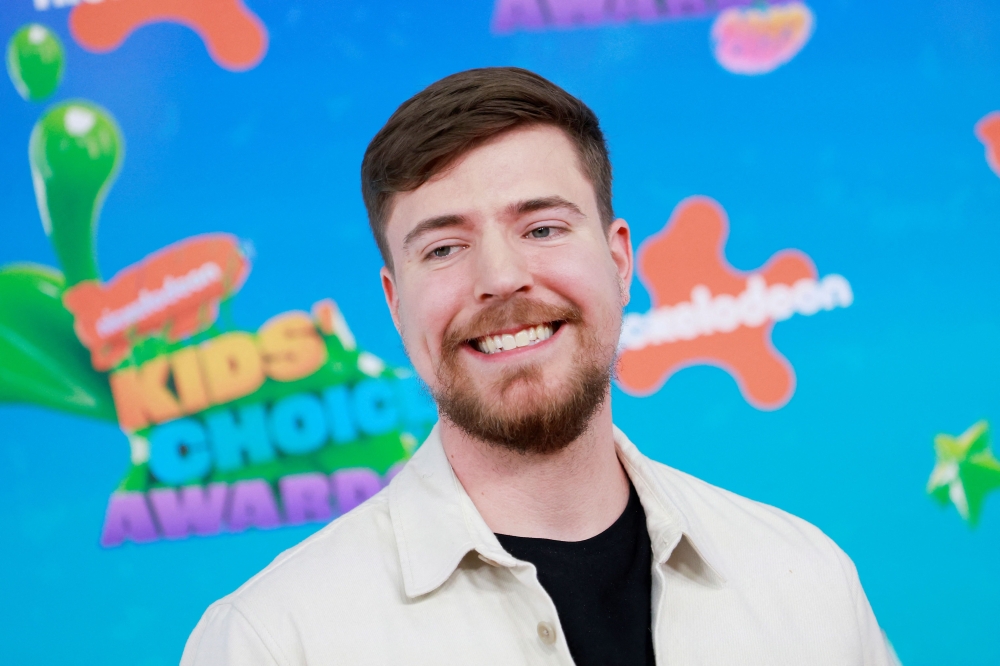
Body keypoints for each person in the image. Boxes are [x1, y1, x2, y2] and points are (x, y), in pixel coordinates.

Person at [181, 67, 893, 665]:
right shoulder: (272, 642)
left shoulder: (807, 583)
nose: (501, 278)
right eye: (443, 248)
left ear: (618, 259)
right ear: (396, 305)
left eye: (542, 228)